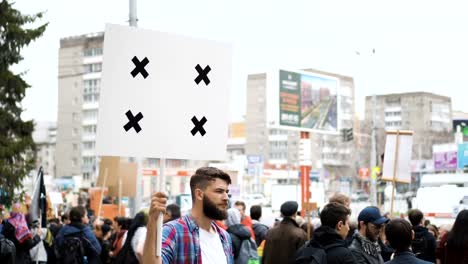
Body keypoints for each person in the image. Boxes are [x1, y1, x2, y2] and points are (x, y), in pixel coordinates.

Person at [142, 167, 234, 264]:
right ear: (199, 194)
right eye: (219, 191)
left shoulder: (224, 236)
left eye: (227, 192)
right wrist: (152, 222)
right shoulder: (173, 231)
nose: (226, 198)